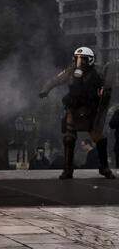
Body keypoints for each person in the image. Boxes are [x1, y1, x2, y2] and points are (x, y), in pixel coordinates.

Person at [39, 47, 115, 179]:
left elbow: (107, 86)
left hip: (90, 110)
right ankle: (68, 170)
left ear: (90, 60)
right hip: (73, 108)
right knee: (69, 138)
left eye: (83, 59)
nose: (80, 62)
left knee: (99, 139)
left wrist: (104, 93)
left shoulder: (97, 72)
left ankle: (104, 167)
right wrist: (45, 90)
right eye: (78, 59)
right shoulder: (71, 71)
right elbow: (56, 80)